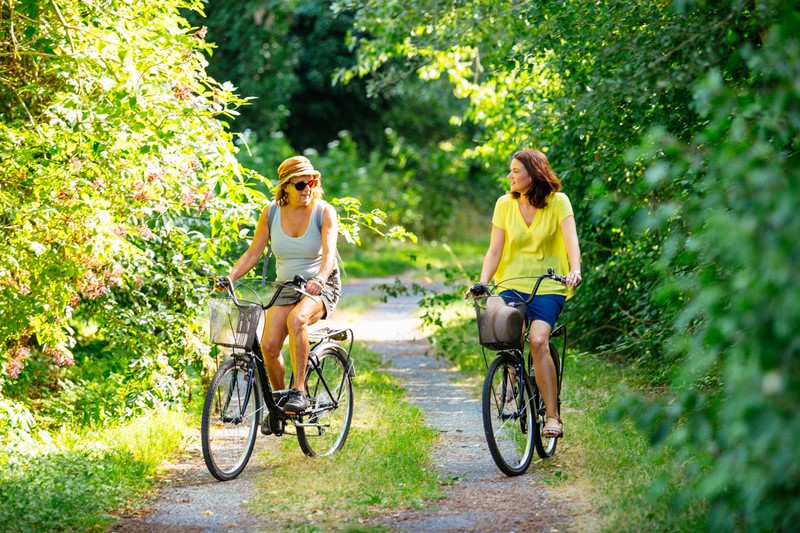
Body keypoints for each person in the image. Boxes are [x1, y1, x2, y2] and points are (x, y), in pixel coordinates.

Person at [467, 149, 581, 438]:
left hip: (548, 286)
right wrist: (482, 281)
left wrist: (575, 269)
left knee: (539, 341)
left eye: (516, 170)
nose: (510, 176)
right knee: (502, 328)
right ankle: (510, 371)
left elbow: (571, 241)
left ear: (533, 172)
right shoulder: (504, 204)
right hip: (511, 284)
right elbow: (494, 250)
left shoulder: (558, 203)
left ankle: (553, 417)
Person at [224, 155, 341, 417]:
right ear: (285, 186)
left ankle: (298, 392)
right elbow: (253, 253)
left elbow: (329, 252)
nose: (307, 189)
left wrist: (320, 279)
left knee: (297, 320)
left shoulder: (323, 211)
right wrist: (230, 278)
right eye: (300, 185)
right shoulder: (272, 212)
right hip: (286, 285)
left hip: (321, 284)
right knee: (268, 345)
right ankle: (279, 404)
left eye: (311, 182)